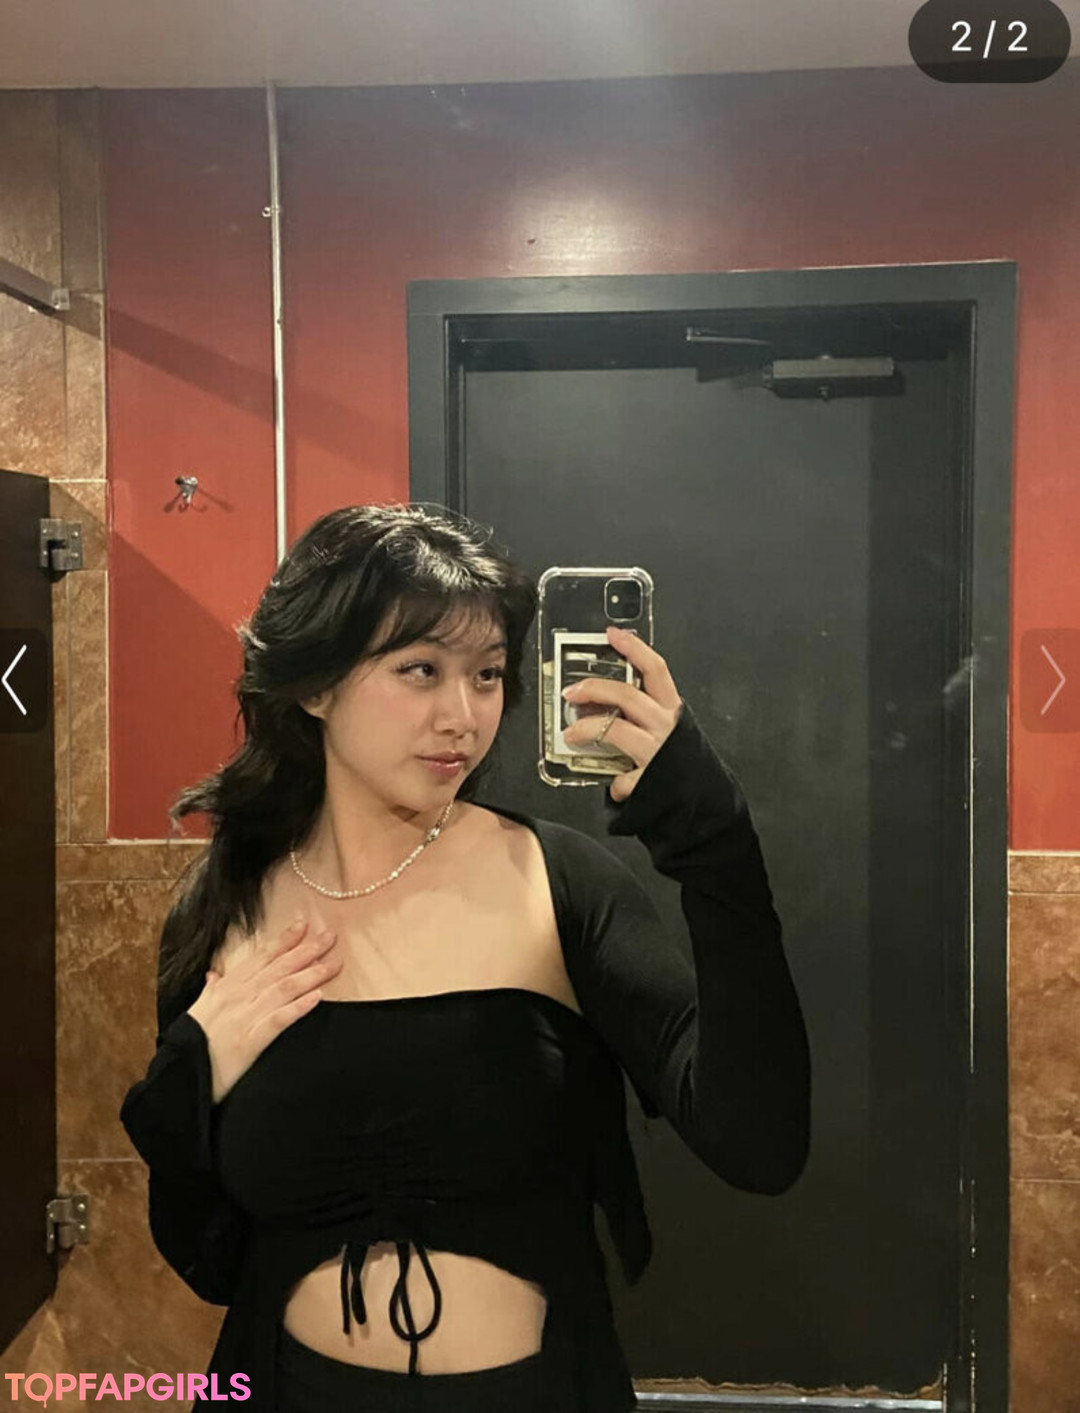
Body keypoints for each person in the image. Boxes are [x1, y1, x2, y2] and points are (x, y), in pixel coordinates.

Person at [120, 503, 811, 1413]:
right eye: (421, 670)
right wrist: (191, 1075)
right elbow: (204, 1255)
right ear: (316, 686)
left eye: (487, 675)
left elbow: (760, 1144)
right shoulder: (227, 909)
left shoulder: (557, 885)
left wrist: (716, 840)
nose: (463, 715)